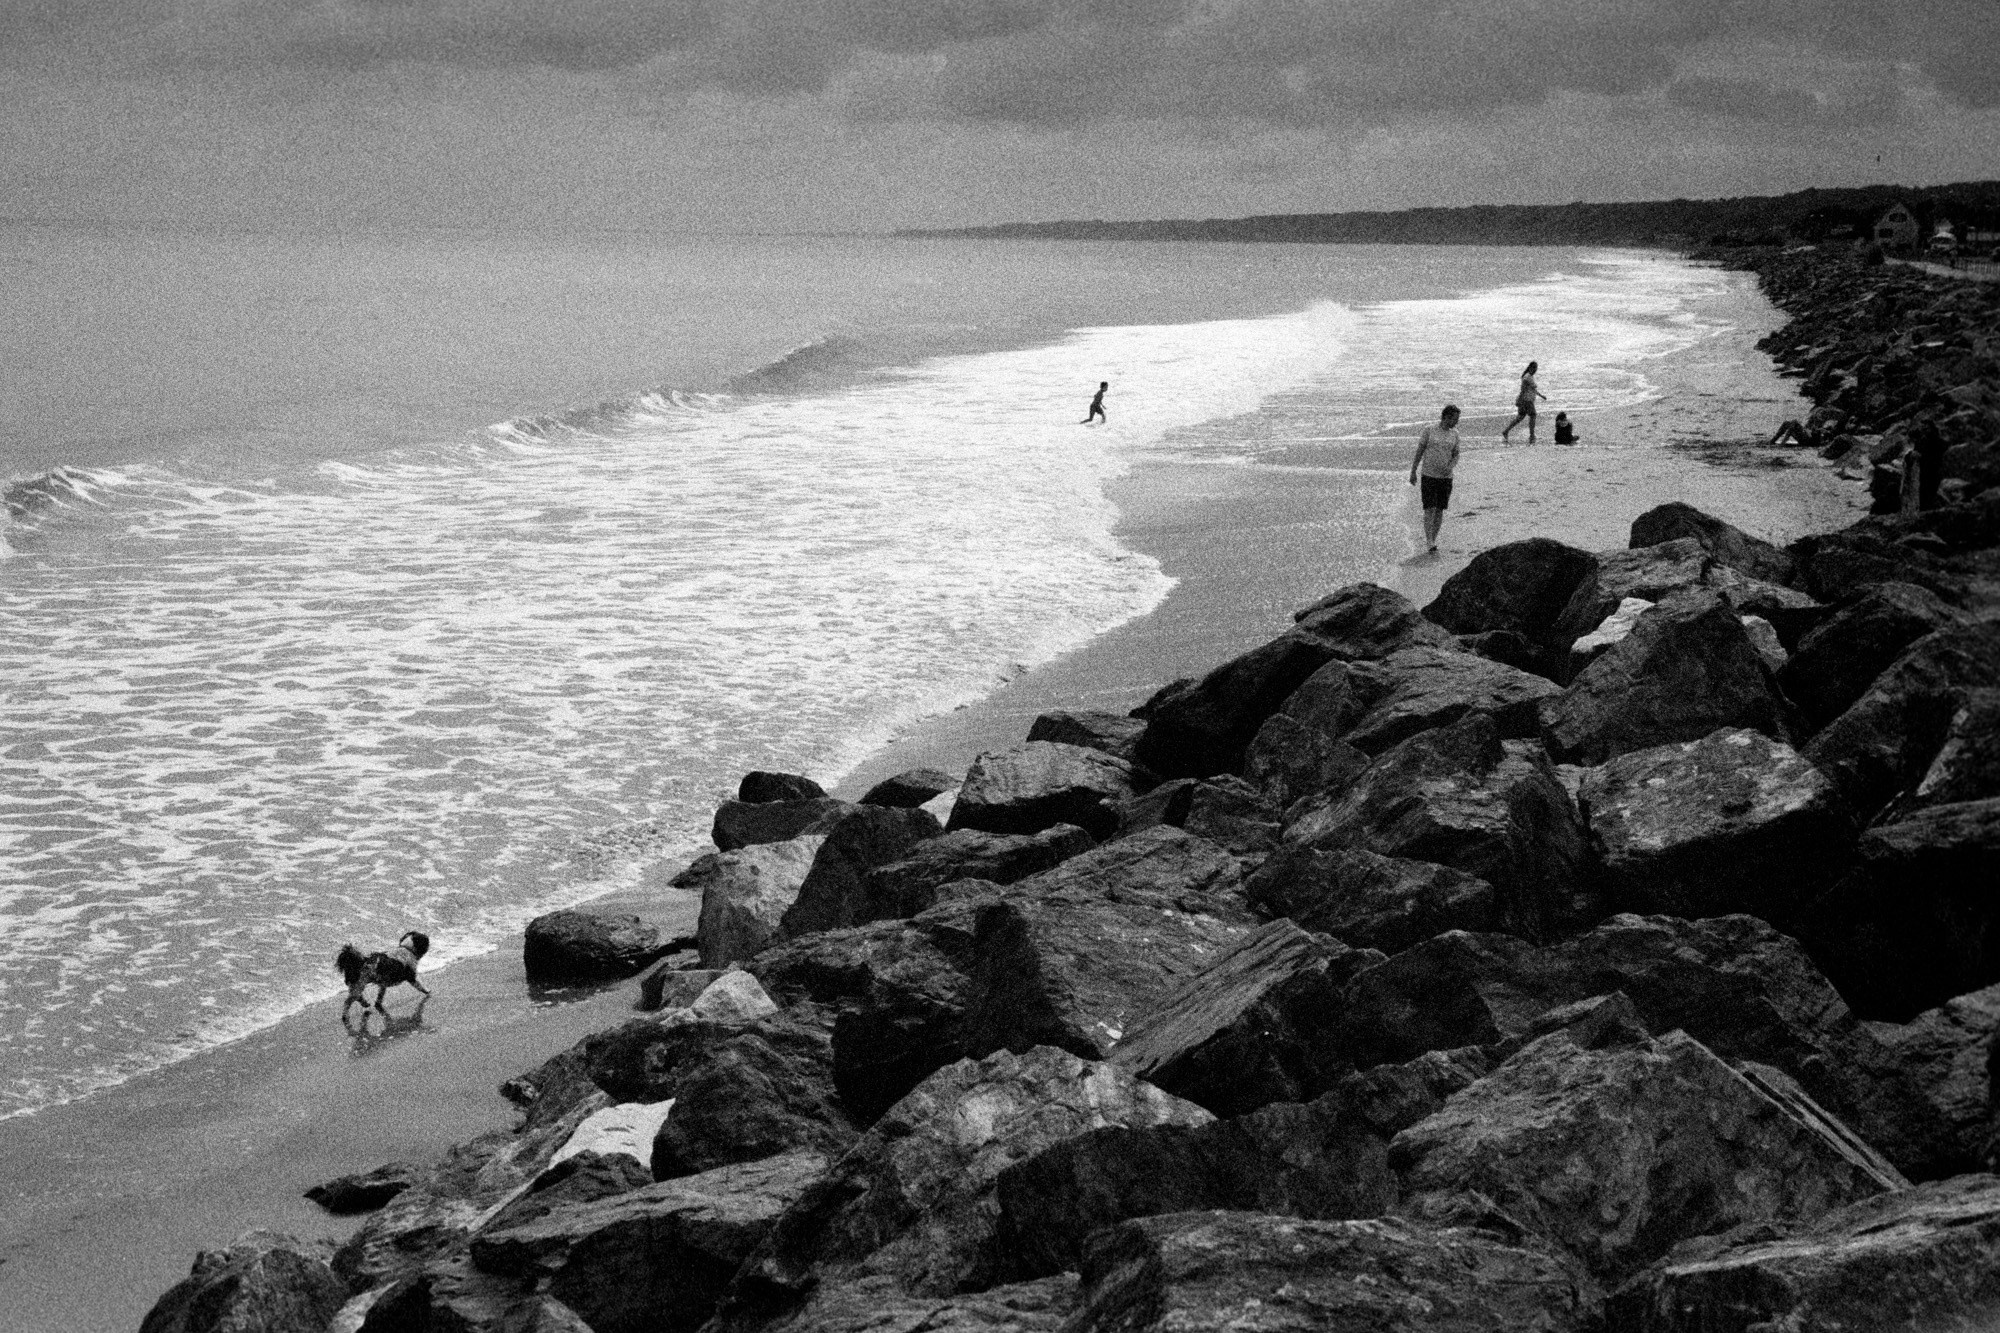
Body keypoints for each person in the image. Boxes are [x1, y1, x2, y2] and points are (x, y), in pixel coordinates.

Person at [1408, 404, 1462, 554]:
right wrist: (1413, 471)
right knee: (1429, 508)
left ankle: (1433, 539)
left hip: (1446, 478)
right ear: (1446, 417)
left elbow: (1456, 454)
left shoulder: (1455, 434)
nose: (1457, 422)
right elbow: (1420, 451)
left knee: (1439, 509)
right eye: (1455, 419)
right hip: (1429, 475)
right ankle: (1429, 541)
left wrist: (1450, 466)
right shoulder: (1429, 430)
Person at [1501, 361, 1546, 443]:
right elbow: (1523, 390)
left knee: (1520, 417)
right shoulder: (1527, 377)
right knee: (1533, 415)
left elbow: (1533, 389)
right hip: (1527, 400)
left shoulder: (1530, 377)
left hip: (1526, 400)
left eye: (1536, 369)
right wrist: (1519, 400)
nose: (1535, 370)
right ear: (1530, 368)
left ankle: (1506, 431)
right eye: (1534, 368)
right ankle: (1532, 435)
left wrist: (1541, 395)